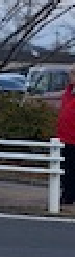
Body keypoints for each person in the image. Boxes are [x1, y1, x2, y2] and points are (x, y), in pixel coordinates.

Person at [58, 64, 75, 205]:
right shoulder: (68, 93)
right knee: (66, 169)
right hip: (65, 138)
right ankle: (67, 195)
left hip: (73, 138)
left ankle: (69, 196)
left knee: (71, 170)